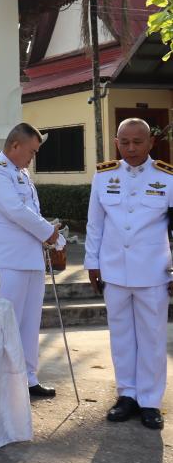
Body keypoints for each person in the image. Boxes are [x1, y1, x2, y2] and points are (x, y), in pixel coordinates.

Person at [85, 118, 173, 430]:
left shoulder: (167, 177)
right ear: (116, 142)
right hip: (114, 270)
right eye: (125, 142)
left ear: (151, 143)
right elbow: (95, 224)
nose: (131, 148)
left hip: (154, 271)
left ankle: (150, 401)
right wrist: (92, 263)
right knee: (121, 336)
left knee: (151, 337)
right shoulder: (104, 175)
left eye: (138, 142)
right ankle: (127, 395)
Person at [0, 123, 61, 398]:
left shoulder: (22, 173)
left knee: (30, 322)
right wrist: (48, 232)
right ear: (15, 146)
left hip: (30, 258)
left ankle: (28, 377)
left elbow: (30, 211)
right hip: (7, 260)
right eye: (31, 151)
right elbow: (16, 211)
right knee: (6, 323)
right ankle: (1, 381)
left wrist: (49, 233)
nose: (32, 158)